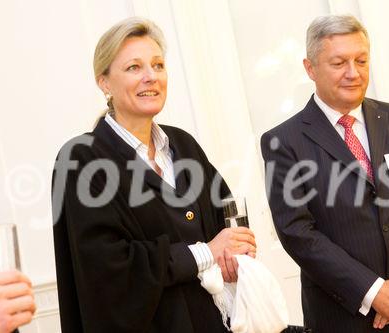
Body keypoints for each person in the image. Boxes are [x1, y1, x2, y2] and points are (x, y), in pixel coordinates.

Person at [52, 17, 256, 332]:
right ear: (104, 82)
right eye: (134, 68)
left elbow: (226, 219)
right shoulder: (82, 159)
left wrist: (237, 249)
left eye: (158, 65)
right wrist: (206, 253)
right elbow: (108, 270)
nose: (151, 77)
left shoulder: (184, 145)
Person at [261, 15, 389, 332]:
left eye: (361, 60)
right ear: (310, 68)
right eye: (339, 63)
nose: (354, 73)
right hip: (347, 320)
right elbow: (297, 232)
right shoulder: (283, 142)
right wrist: (375, 291)